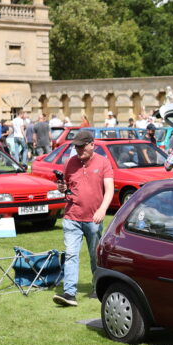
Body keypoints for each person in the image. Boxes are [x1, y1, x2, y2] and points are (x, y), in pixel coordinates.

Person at [52, 130, 113, 307]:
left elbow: (109, 189)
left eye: (81, 146)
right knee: (71, 254)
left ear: (92, 145)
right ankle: (70, 293)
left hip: (94, 218)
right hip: (72, 216)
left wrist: (102, 210)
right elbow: (65, 187)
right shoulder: (70, 162)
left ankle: (97, 287)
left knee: (95, 256)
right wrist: (62, 188)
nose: (78, 150)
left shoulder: (103, 162)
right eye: (76, 147)